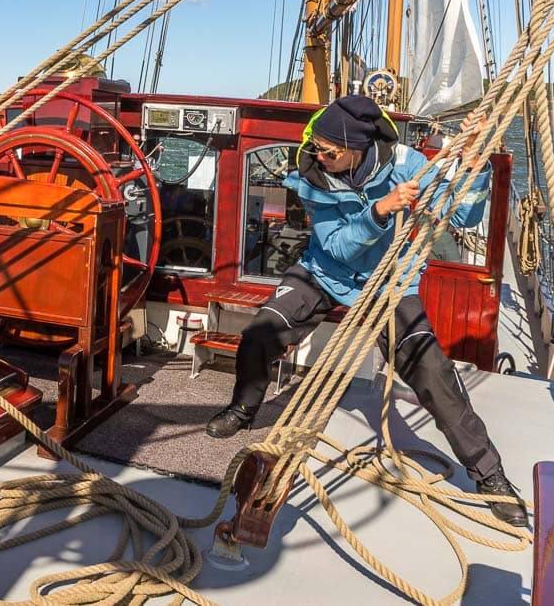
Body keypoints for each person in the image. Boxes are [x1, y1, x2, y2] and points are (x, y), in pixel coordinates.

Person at [204, 95, 528, 527]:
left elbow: (465, 217)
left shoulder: (407, 164)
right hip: (325, 271)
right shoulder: (314, 174)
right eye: (317, 147)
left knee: (434, 375)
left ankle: (490, 475)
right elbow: (335, 244)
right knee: (261, 333)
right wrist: (379, 213)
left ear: (358, 148)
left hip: (390, 284)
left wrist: (474, 162)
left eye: (329, 151)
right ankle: (243, 409)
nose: (320, 156)